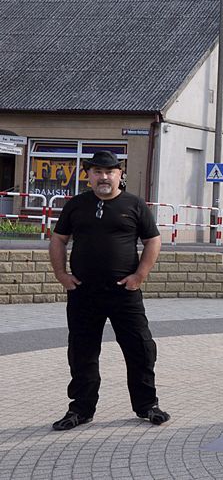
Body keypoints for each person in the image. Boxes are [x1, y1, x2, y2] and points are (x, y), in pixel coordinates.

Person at [49, 150, 169, 431]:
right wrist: (61, 274)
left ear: (120, 175)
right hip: (83, 293)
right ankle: (80, 409)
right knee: (82, 352)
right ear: (88, 176)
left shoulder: (134, 204)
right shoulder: (76, 205)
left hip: (123, 293)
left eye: (110, 172)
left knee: (140, 348)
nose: (104, 177)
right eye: (98, 172)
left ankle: (147, 405)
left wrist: (139, 276)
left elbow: (153, 241)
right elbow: (58, 240)